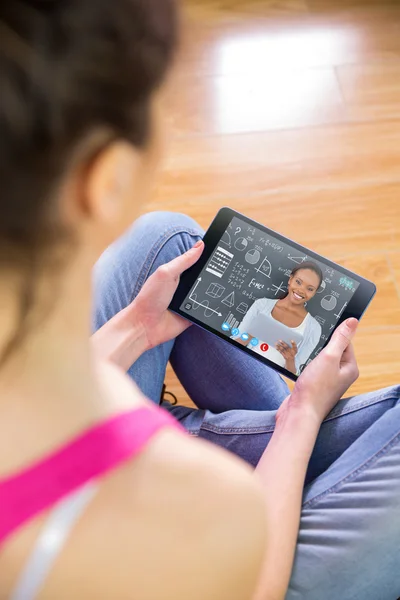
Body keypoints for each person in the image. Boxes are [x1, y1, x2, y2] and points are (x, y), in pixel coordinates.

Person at [0, 2, 399, 600]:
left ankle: (207, 429)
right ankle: (236, 436)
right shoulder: (207, 502)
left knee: (165, 242)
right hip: (227, 565)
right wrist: (299, 417)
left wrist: (137, 326)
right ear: (104, 179)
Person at [234, 261, 323, 374]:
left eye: (310, 289)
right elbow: (233, 343)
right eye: (298, 282)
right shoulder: (261, 305)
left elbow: (295, 374)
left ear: (314, 292)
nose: (301, 290)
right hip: (241, 366)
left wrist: (290, 359)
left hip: (273, 379)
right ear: (290, 280)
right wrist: (253, 333)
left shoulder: (314, 328)